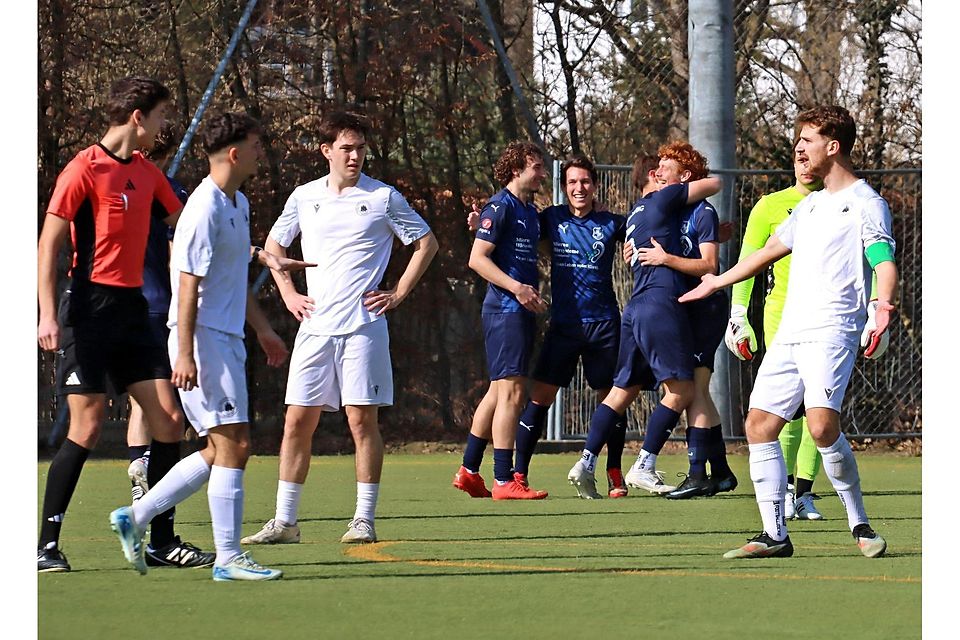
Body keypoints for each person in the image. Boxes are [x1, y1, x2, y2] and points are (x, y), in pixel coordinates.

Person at [680, 105, 895, 559]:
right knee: (759, 424)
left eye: (807, 141)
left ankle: (860, 523)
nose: (798, 149)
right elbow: (766, 252)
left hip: (834, 328)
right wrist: (717, 282)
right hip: (791, 332)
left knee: (821, 426)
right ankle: (774, 534)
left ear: (832, 146)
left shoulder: (866, 202)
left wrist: (882, 306)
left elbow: (883, 261)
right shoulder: (810, 205)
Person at [109, 111, 309, 580]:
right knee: (235, 444)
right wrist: (184, 352)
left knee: (219, 449)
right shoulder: (203, 209)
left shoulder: (237, 202)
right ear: (234, 154)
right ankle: (229, 557)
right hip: (203, 341)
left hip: (225, 339)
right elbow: (187, 284)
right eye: (256, 146)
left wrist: (262, 329)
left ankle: (135, 517)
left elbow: (232, 277)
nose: (261, 154)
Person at [37, 77, 213, 572]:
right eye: (159, 116)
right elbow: (49, 244)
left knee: (169, 421)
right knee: (88, 425)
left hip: (133, 312)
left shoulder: (148, 174)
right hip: (88, 312)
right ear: (138, 117)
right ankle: (46, 546)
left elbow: (192, 229)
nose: (162, 126)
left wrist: (253, 250)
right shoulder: (83, 168)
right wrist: (47, 314)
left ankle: (161, 541)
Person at [242, 109, 438, 546]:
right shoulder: (304, 196)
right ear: (326, 151)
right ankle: (285, 522)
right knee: (296, 422)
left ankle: (363, 520)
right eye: (346, 148)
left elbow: (426, 243)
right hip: (315, 329)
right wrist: (288, 293)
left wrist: (398, 292)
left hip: (363, 328)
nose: (355, 156)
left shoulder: (383, 197)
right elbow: (274, 244)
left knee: (361, 421)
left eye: (361, 148)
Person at [463, 155, 627, 500]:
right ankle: (516, 474)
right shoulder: (548, 217)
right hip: (563, 324)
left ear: (595, 185)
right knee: (536, 398)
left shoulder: (612, 222)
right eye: (572, 182)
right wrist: (482, 224)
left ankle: (614, 473)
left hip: (603, 324)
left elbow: (645, 233)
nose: (579, 188)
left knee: (612, 399)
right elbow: (508, 235)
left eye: (585, 181)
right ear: (564, 187)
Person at [578, 155, 721, 496]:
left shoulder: (637, 215)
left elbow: (700, 253)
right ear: (655, 178)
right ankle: (645, 464)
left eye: (670, 167)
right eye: (661, 169)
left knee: (622, 391)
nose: (664, 174)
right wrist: (667, 257)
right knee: (684, 391)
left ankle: (585, 461)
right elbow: (715, 184)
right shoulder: (664, 199)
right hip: (662, 306)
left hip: (639, 308)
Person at [632, 141, 737, 499]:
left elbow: (709, 266)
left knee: (695, 390)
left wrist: (667, 260)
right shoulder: (673, 209)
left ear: (686, 176)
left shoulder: (702, 211)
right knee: (696, 390)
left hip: (706, 307)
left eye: (667, 166)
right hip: (683, 306)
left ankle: (697, 474)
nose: (659, 171)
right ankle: (719, 471)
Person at [726, 154, 826, 519]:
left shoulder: (845, 203)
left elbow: (871, 258)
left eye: (810, 154)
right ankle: (782, 490)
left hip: (828, 319)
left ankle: (804, 493)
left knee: (821, 407)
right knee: (785, 408)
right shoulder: (770, 206)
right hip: (781, 318)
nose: (805, 163)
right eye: (799, 156)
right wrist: (738, 314)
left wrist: (877, 307)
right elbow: (748, 261)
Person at [451, 141, 550, 500]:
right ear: (516, 170)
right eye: (536, 167)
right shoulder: (501, 205)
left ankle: (469, 470)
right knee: (512, 392)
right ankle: (504, 478)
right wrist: (517, 288)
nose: (542, 174)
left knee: (498, 391)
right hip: (506, 310)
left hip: (516, 311)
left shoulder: (528, 210)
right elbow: (477, 259)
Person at [126, 123, 190, 504]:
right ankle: (155, 484)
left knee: (139, 399)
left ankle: (138, 470)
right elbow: (175, 259)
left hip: (121, 303)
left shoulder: (119, 186)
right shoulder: (172, 193)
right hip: (158, 306)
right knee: (167, 408)